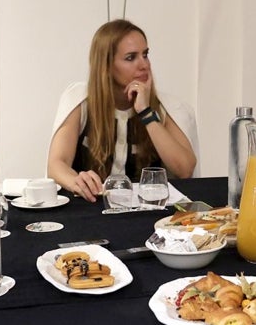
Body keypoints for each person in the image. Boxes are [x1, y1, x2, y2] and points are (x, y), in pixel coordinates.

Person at [48, 19, 197, 201]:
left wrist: (146, 112)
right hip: (91, 209)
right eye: (131, 57)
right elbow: (56, 163)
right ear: (107, 66)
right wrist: (76, 181)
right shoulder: (80, 100)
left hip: (146, 213)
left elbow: (185, 169)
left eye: (145, 54)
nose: (144, 65)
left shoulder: (165, 106)